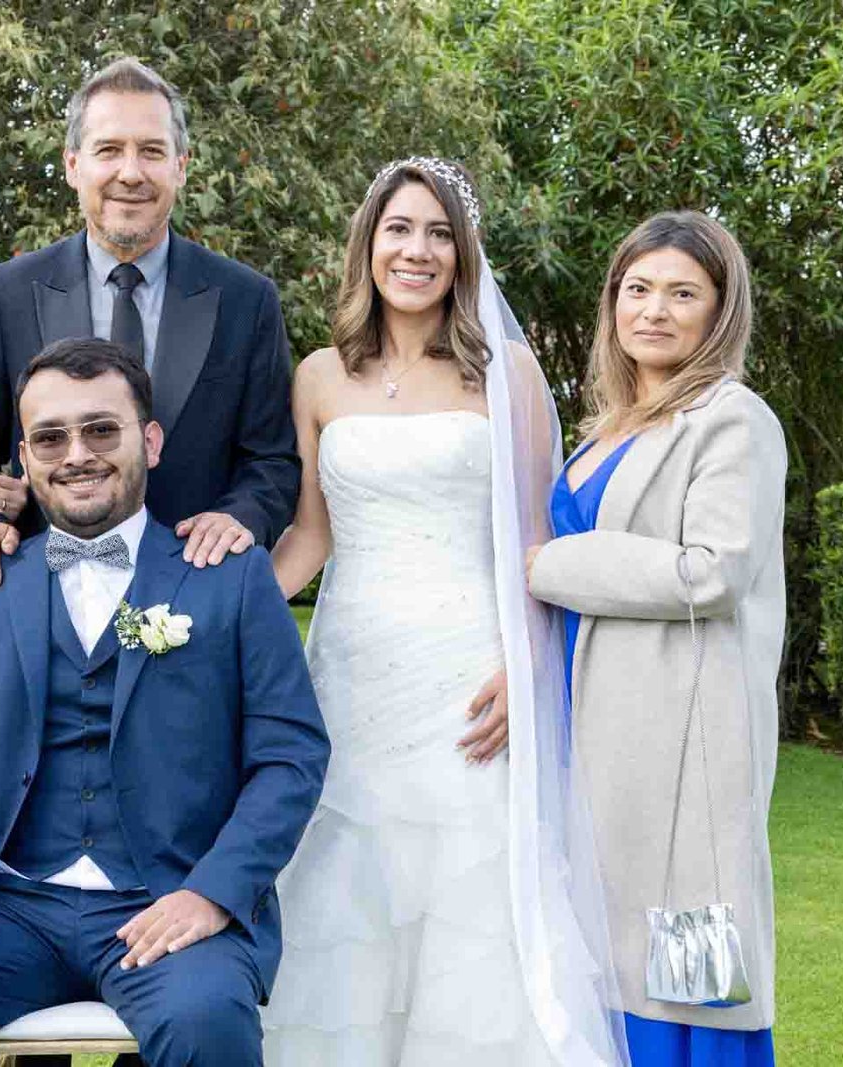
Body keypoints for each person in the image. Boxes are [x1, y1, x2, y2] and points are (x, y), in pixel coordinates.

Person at [0, 337, 329, 1067]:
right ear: (24, 458)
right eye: (50, 437)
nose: (77, 454)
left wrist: (212, 893)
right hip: (10, 907)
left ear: (150, 442)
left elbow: (291, 756)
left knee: (206, 1025)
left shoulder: (230, 577)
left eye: (101, 429)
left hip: (169, 896)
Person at [262, 159, 627, 1065]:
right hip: (351, 671)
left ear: (463, 255)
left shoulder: (507, 373)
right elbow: (311, 535)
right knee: (345, 882)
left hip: (468, 671)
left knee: (470, 895)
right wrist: (216, 615)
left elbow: (535, 544)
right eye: (399, 230)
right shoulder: (320, 376)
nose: (416, 251)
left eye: (437, 234)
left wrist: (526, 667)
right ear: (369, 245)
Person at [527, 211, 785, 1066]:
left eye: (683, 293)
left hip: (680, 745)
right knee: (601, 964)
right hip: (591, 726)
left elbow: (714, 571)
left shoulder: (732, 419)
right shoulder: (609, 426)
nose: (655, 310)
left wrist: (553, 564)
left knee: (685, 971)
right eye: (637, 289)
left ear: (720, 309)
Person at [0, 56, 300, 602]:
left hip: (196, 592)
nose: (131, 173)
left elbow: (271, 458)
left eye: (151, 151)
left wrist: (241, 516)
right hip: (42, 600)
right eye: (109, 150)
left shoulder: (246, 300)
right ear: (72, 165)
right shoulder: (7, 292)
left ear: (181, 166)